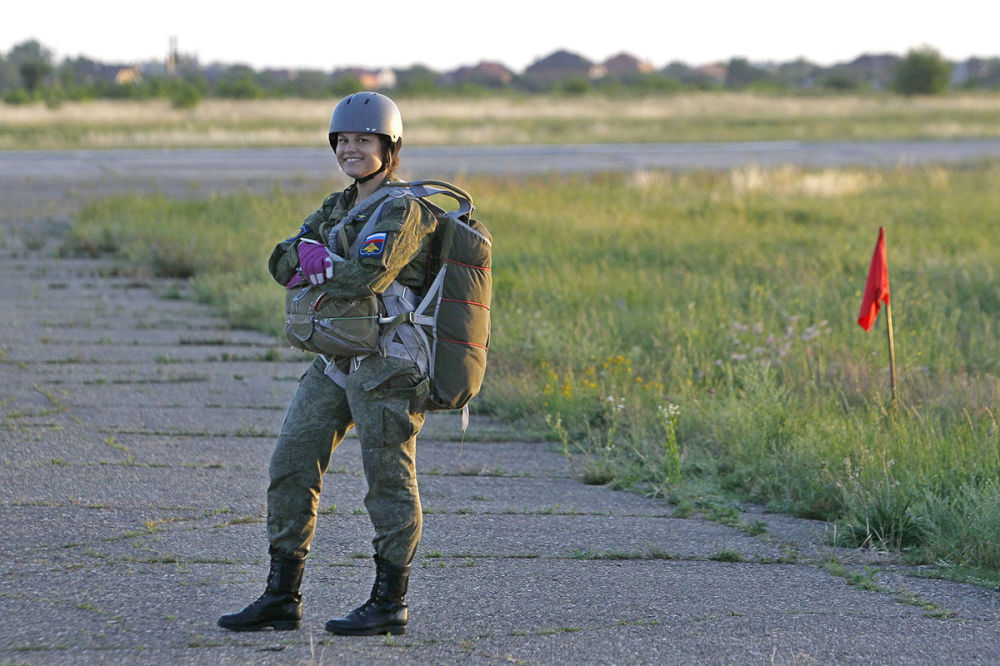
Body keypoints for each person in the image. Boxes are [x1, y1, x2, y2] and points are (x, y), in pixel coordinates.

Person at [218, 91, 438, 637]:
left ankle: (390, 602)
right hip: (339, 358)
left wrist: (316, 260)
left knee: (387, 480)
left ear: (390, 147)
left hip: (389, 362)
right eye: (342, 141)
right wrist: (304, 255)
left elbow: (367, 276)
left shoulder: (405, 209)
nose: (350, 150)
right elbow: (279, 258)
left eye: (363, 141)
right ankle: (281, 597)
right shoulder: (338, 205)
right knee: (291, 464)